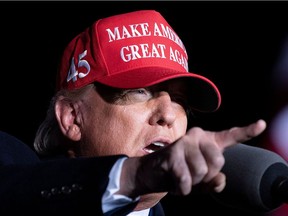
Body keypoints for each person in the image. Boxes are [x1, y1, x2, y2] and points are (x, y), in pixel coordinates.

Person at [0, 9, 267, 215]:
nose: (168, 114)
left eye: (179, 99)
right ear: (72, 117)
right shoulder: (10, 162)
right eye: (140, 91)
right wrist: (133, 175)